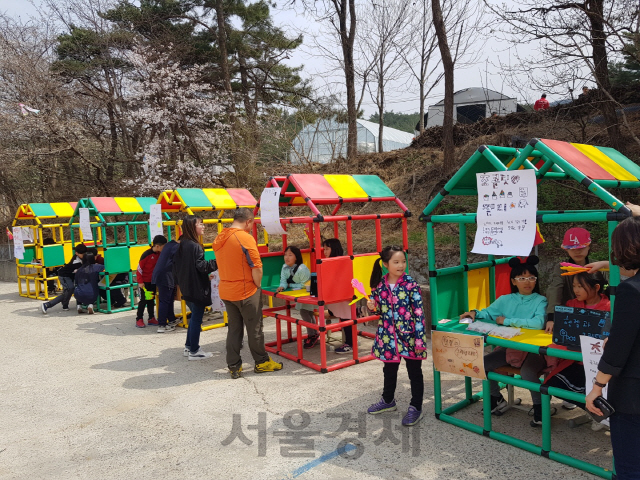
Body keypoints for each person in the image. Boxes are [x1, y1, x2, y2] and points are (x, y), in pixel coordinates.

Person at [460, 256, 548, 427]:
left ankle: (540, 407)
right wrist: (474, 313)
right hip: (510, 348)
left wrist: (507, 321)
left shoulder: (540, 300)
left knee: (528, 374)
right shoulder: (505, 299)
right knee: (482, 363)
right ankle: (496, 397)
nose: (527, 282)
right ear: (514, 281)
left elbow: (538, 323)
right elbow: (488, 312)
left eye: (531, 278)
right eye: (522, 278)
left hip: (532, 350)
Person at [586, 217, 640, 478]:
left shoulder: (632, 290)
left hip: (633, 395)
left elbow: (618, 350)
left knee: (630, 465)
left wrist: (596, 388)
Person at [213, 208, 283, 379]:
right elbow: (257, 267)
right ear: (249, 221)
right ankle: (261, 362)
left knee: (234, 330)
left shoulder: (220, 237)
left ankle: (234, 366)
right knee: (255, 329)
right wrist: (257, 286)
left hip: (227, 290)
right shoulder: (244, 237)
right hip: (245, 290)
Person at [366, 245, 428, 427]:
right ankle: (388, 401)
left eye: (403, 261)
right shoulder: (379, 284)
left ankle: (416, 407)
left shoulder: (410, 284)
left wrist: (419, 339)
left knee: (414, 372)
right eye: (396, 262)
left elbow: (418, 313)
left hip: (410, 337)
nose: (401, 265)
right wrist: (372, 306)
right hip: (387, 337)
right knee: (389, 370)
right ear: (386, 264)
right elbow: (378, 309)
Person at [543, 271, 610, 416]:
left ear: (597, 287)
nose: (576, 290)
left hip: (598, 365)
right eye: (574, 286)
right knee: (551, 384)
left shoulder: (609, 307)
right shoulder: (571, 304)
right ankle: (596, 413)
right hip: (574, 360)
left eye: (580, 286)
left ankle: (600, 413)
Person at [172, 216, 217, 360]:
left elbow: (187, 268)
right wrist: (218, 261)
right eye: (200, 224)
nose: (203, 226)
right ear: (192, 226)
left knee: (194, 318)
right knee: (197, 319)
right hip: (197, 289)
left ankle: (188, 346)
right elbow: (202, 266)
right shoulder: (195, 246)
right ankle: (194, 351)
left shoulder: (181, 243)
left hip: (186, 287)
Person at [545, 227, 594, 333]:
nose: (577, 252)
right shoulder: (561, 268)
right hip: (569, 313)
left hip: (595, 313)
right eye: (572, 248)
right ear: (566, 249)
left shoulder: (598, 267)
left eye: (581, 247)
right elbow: (555, 289)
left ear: (588, 246)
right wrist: (551, 317)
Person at [275, 246, 315, 347]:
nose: (286, 257)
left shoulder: (302, 269)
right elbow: (283, 281)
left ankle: (312, 335)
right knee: (308, 313)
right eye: (285, 255)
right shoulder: (284, 267)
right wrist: (282, 287)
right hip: (299, 294)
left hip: (308, 293)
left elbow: (304, 284)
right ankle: (314, 334)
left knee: (305, 313)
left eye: (290, 255)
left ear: (296, 257)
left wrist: (289, 285)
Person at [321, 238, 354, 354]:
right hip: (336, 297)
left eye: (327, 249)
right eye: (324, 249)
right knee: (343, 316)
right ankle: (360, 311)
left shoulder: (341, 261)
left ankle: (350, 344)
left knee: (346, 318)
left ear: (334, 249)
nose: (324, 251)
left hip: (343, 296)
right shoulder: (328, 261)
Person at [41, 243, 87, 314]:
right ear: (77, 253)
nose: (83, 255)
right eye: (82, 254)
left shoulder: (81, 258)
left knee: (67, 292)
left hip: (70, 276)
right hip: (64, 276)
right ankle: (47, 305)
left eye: (84, 253)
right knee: (70, 289)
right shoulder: (76, 261)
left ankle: (65, 305)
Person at [135, 235, 167, 329]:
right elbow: (139, 269)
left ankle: (151, 318)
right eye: (163, 247)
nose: (163, 249)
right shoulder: (146, 255)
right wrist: (140, 282)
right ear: (157, 246)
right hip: (144, 283)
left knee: (151, 300)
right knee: (143, 300)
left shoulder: (159, 255)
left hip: (153, 281)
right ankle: (139, 319)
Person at [152, 236, 180, 333]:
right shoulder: (176, 247)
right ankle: (162, 325)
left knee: (168, 299)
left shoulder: (170, 245)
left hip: (162, 276)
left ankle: (171, 319)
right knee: (164, 301)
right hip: (165, 277)